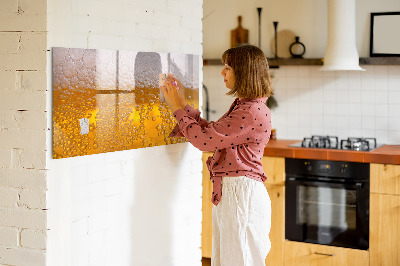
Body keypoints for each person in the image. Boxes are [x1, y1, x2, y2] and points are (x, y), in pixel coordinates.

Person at [161, 44, 273, 266]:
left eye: (228, 67)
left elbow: (204, 141)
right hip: (236, 193)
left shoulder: (250, 111)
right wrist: (183, 103)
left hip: (241, 195)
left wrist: (176, 107)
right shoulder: (246, 106)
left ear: (244, 72)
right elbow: (212, 133)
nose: (222, 72)